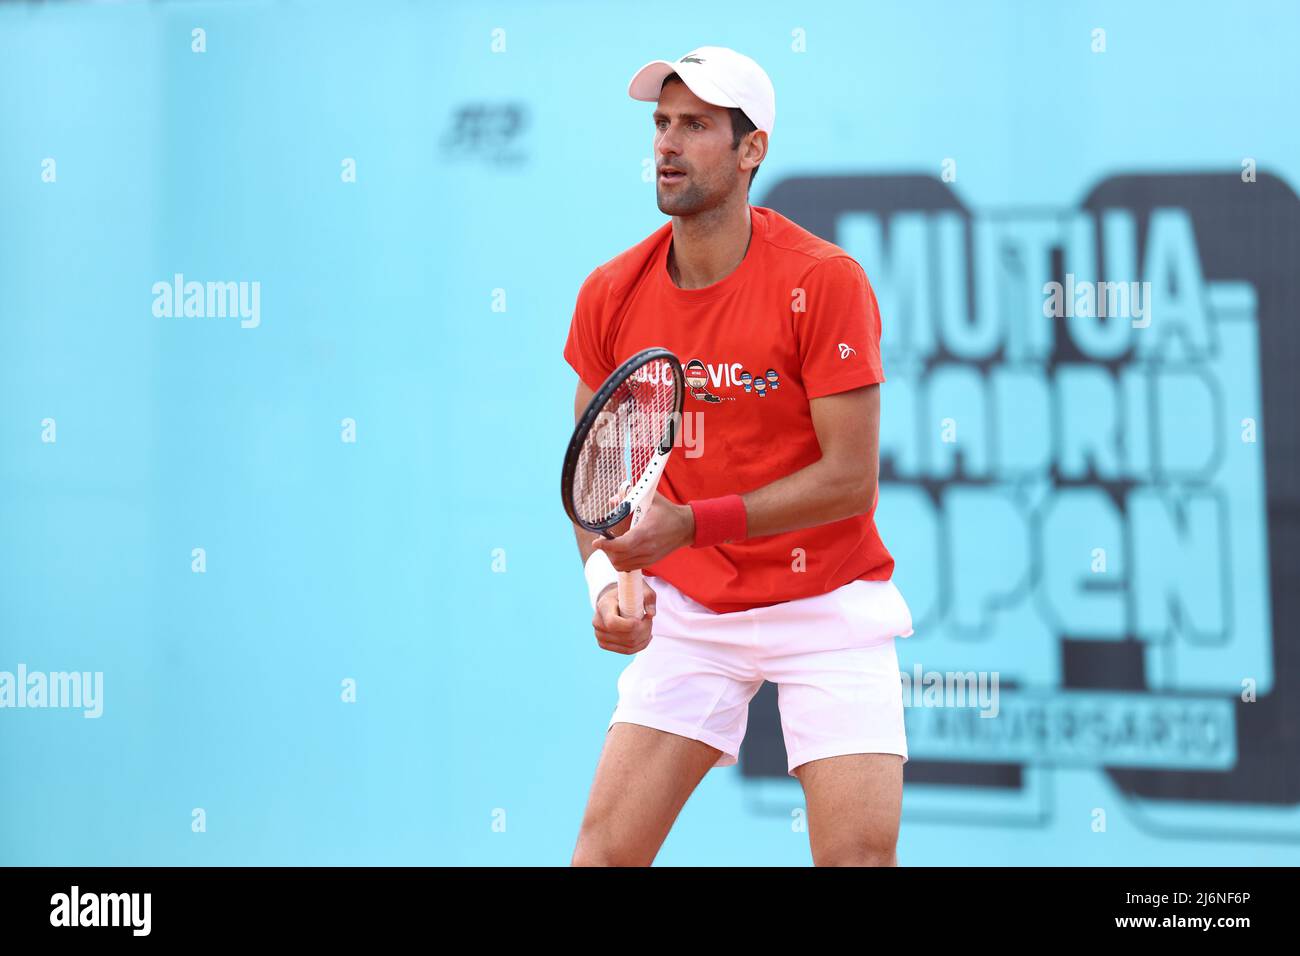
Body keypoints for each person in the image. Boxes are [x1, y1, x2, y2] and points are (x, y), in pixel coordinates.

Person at [563, 46, 914, 866]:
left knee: (858, 858)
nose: (667, 145)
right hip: (692, 614)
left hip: (827, 601)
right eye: (660, 124)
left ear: (751, 149)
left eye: (695, 125)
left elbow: (850, 481)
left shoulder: (826, 281)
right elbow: (595, 483)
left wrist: (690, 526)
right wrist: (609, 583)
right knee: (603, 856)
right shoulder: (611, 292)